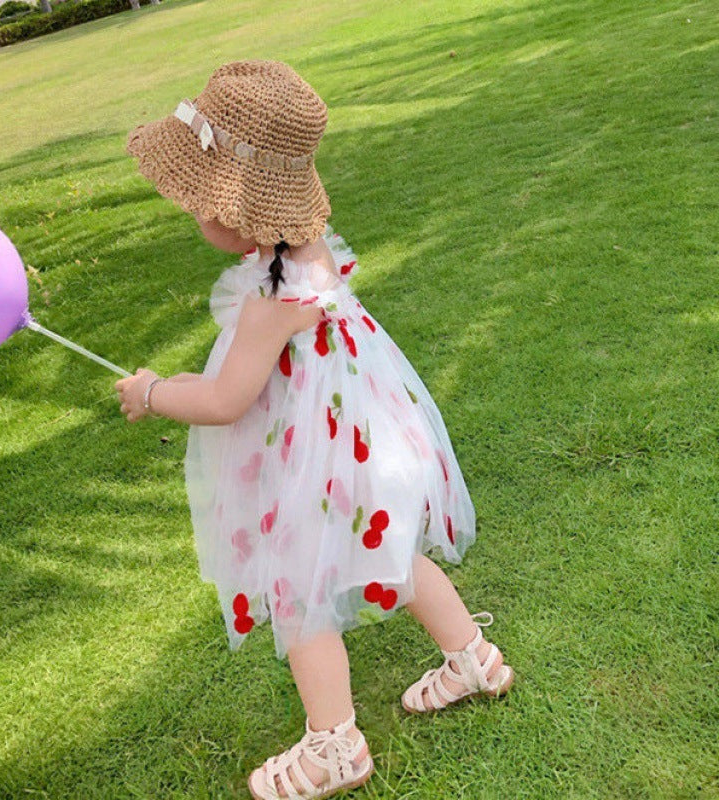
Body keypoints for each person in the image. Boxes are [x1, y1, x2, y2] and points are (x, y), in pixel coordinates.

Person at [115, 59, 515, 800]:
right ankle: (472, 660)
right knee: (391, 551)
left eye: (196, 197)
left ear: (238, 209)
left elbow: (229, 398)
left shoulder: (274, 296)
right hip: (361, 440)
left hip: (316, 460)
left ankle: (334, 747)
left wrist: (153, 391)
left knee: (298, 589)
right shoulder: (305, 250)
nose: (189, 211)